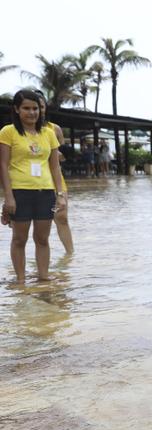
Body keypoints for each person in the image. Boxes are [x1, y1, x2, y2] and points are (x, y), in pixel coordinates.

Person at [0, 89, 67, 284]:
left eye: (35, 108)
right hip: (20, 192)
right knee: (20, 239)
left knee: (42, 238)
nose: (32, 113)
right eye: (26, 108)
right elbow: (3, 165)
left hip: (45, 192)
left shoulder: (48, 133)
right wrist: (9, 197)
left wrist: (60, 194)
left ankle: (43, 276)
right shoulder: (7, 132)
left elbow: (54, 166)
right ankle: (21, 280)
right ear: (17, 109)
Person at [36, 92, 74, 254]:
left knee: (62, 217)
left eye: (41, 107)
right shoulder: (16, 130)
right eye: (32, 107)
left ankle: (70, 255)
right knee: (33, 222)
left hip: (55, 177)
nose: (37, 111)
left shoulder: (55, 129)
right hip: (31, 180)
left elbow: (63, 156)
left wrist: (60, 155)